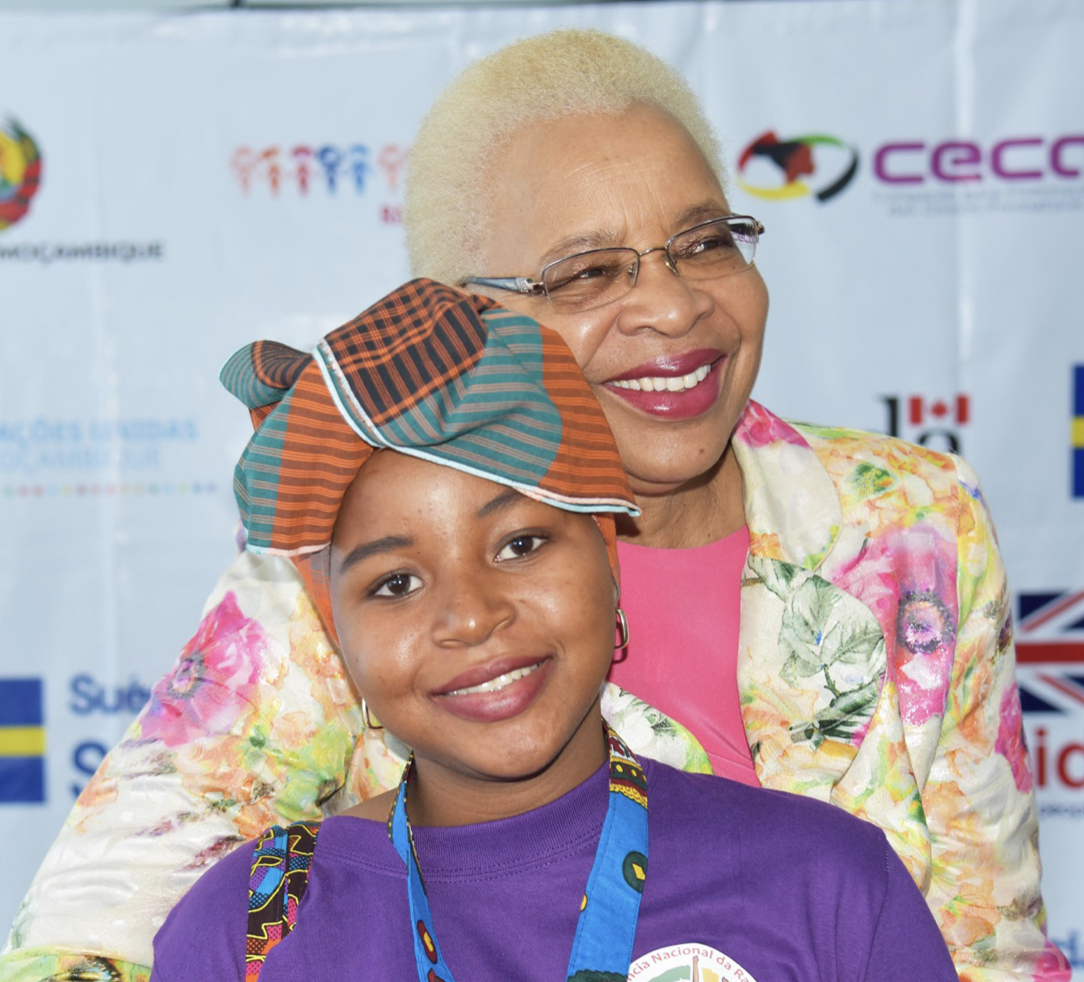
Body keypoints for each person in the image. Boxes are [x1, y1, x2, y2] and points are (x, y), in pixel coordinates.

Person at [3, 28, 1068, 982]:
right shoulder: (326, 569)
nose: (671, 304)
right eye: (586, 272)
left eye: (703, 242)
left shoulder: (912, 519)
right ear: (472, 323)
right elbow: (92, 926)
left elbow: (989, 935)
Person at [148, 278, 957, 982]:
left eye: (521, 544)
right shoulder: (247, 933)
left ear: (609, 561)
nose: (471, 615)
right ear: (339, 639)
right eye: (395, 583)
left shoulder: (827, 885)